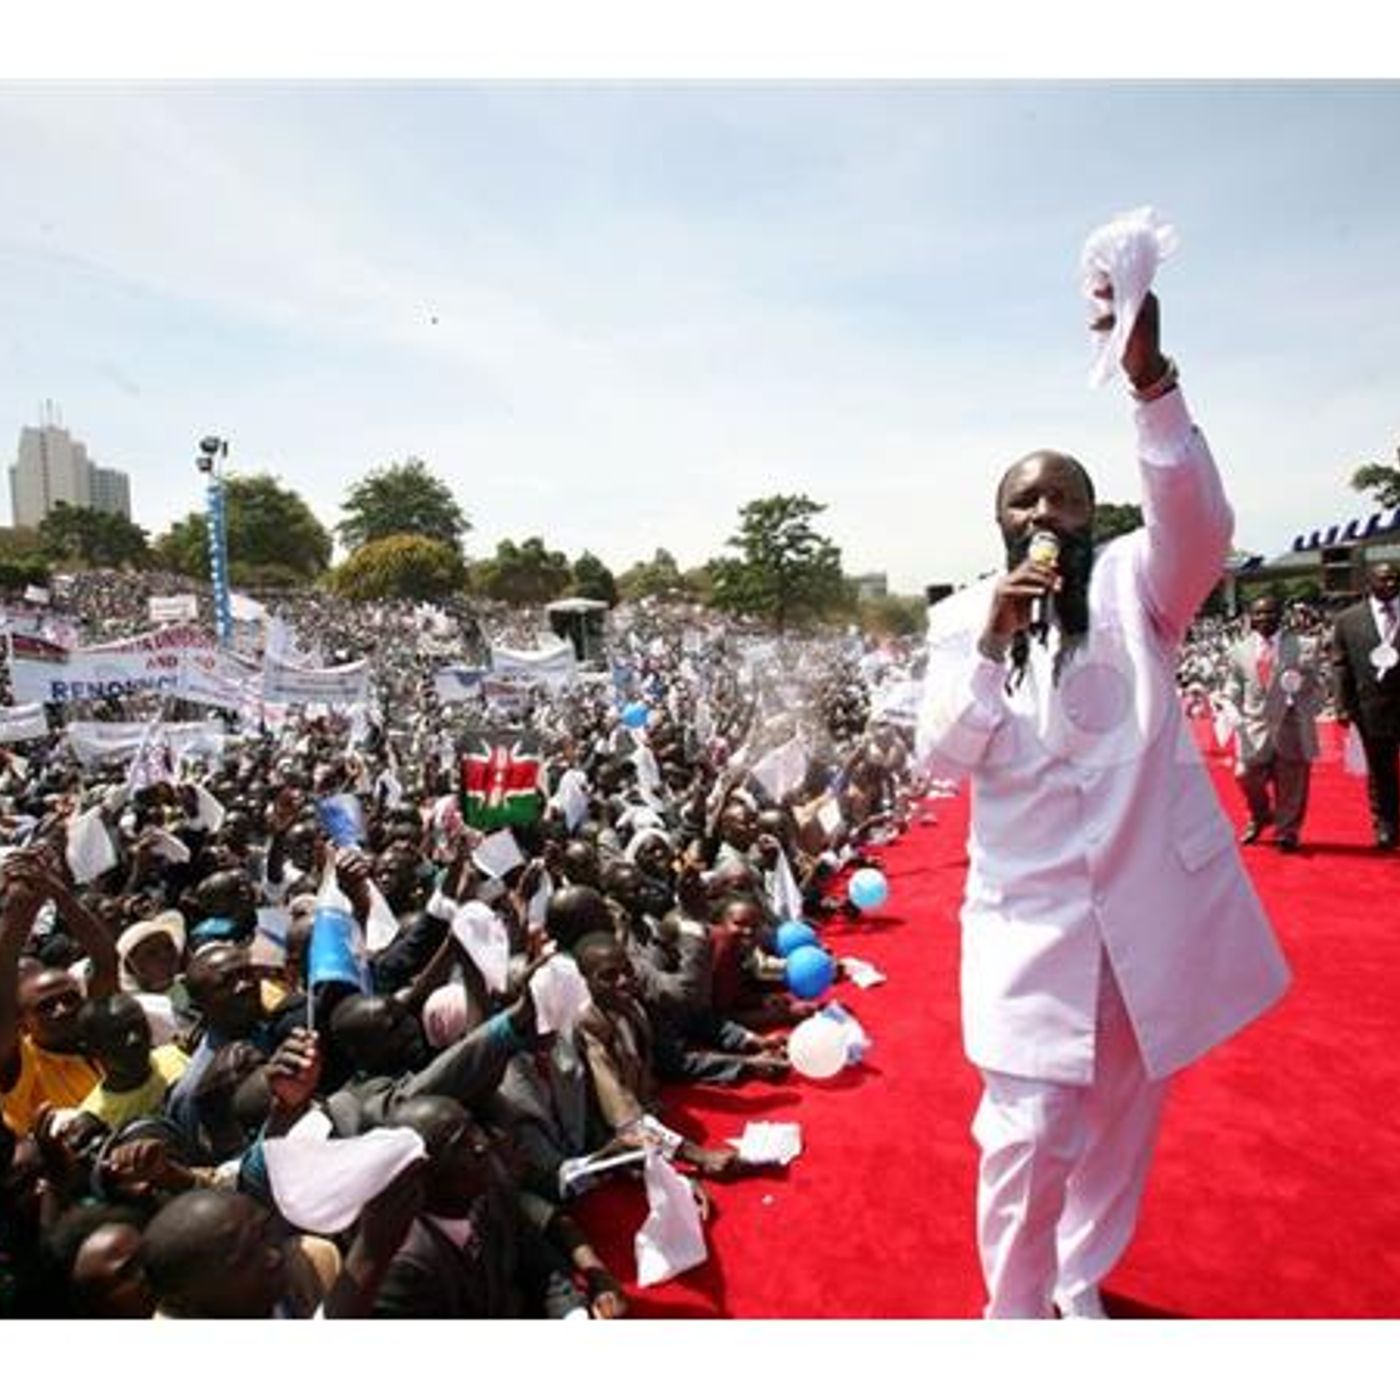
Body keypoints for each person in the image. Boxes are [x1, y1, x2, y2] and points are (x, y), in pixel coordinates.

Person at [915, 284, 1290, 1319]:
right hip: (1026, 933)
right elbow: (942, 756)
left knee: (1121, 1128)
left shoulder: (1138, 585)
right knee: (1027, 1133)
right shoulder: (957, 623)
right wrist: (989, 642)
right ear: (998, 524)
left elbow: (1200, 525)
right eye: (1024, 502)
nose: (1044, 515)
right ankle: (1013, 1311)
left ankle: (1078, 1280)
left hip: (1144, 925)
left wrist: (1149, 384)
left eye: (1065, 500)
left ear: (1094, 518)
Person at [1224, 594, 1323, 851]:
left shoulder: (1305, 646)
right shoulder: (1239, 650)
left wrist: (1302, 698)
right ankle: (1260, 814)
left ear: (1281, 615)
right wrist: (1231, 708)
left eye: (1270, 612)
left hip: (1292, 725)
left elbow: (1316, 688)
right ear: (1251, 617)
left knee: (1292, 783)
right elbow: (1233, 687)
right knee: (1244, 775)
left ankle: (1287, 831)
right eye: (1258, 613)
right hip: (1254, 728)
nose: (1264, 617)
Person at [1330, 561, 1400, 849]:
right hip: (1371, 706)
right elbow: (1340, 665)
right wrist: (1341, 704)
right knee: (1381, 769)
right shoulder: (1347, 620)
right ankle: (1386, 824)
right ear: (1369, 583)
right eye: (1383, 579)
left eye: (1394, 578)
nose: (1390, 583)